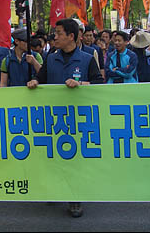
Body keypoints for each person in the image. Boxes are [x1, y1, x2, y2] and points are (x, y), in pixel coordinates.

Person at [27, 19, 103, 218]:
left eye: (59, 33)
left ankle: (74, 197)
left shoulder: (87, 59)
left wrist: (81, 84)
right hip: (54, 117)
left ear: (71, 36)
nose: (55, 37)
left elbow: (99, 84)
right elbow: (41, 77)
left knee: (74, 158)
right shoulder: (51, 58)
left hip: (78, 117)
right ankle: (55, 190)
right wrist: (34, 82)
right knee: (53, 156)